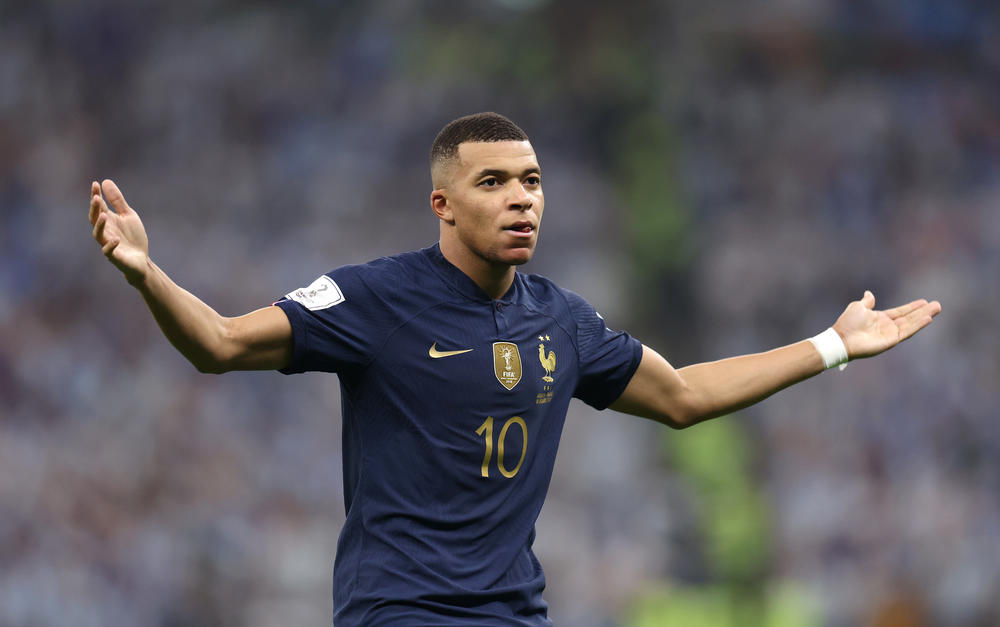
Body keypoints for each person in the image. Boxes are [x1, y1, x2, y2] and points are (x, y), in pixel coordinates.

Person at [88, 112, 941, 625]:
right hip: (400, 611)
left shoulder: (562, 319)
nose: (521, 197)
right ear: (444, 204)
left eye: (531, 180)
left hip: (512, 611)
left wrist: (832, 344)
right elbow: (222, 343)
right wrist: (146, 273)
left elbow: (682, 395)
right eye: (493, 181)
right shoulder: (375, 297)